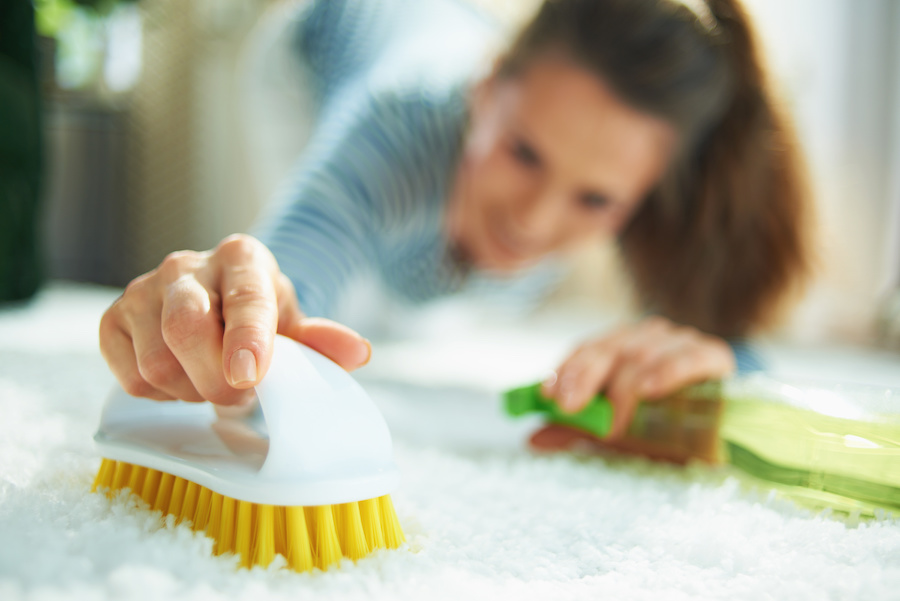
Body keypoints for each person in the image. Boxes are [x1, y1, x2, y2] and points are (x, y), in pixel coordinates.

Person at [99, 0, 811, 447]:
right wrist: (230, 305)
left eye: (594, 200)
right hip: (314, 44)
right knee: (345, 319)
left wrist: (703, 363)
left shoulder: (633, 166)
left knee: (424, 300)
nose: (532, 222)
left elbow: (732, 354)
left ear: (644, 194)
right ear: (486, 88)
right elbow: (289, 281)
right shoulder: (397, 131)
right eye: (524, 152)